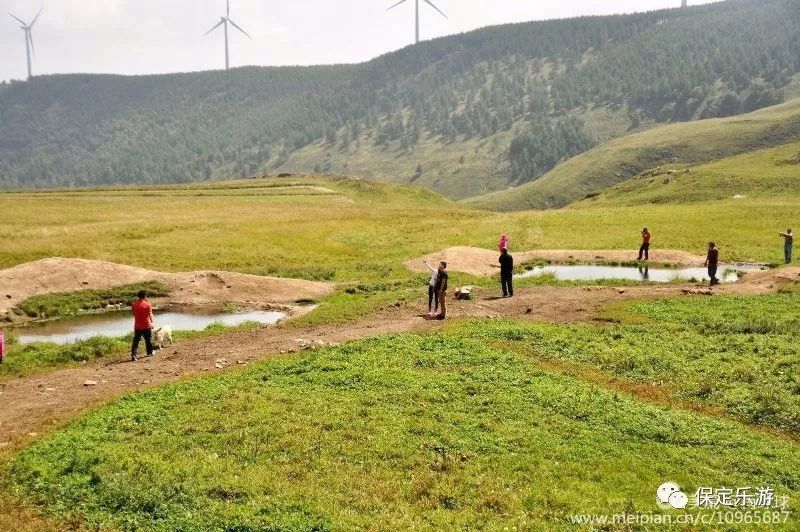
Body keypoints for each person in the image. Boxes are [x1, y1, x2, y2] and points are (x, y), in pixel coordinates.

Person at [131, 289, 155, 361]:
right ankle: (149, 352)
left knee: (136, 340)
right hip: (146, 325)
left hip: (137, 326)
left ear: (138, 296)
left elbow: (134, 314)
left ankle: (133, 355)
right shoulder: (148, 304)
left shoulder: (134, 304)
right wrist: (152, 322)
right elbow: (150, 314)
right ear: (145, 296)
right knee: (148, 339)